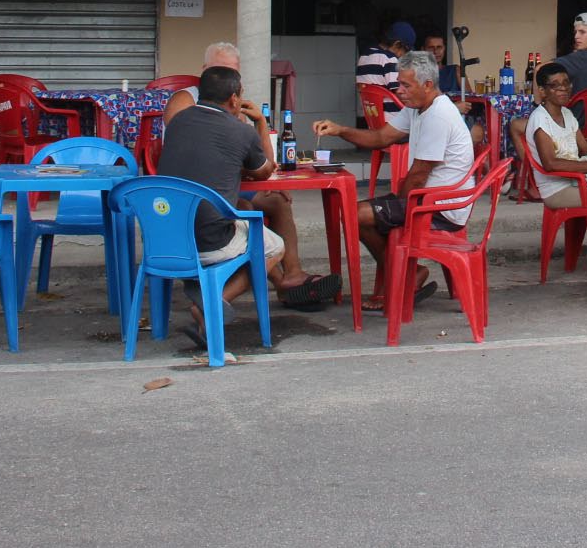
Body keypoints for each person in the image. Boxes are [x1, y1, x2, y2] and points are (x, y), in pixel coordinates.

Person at [158, 65, 338, 334]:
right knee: (272, 248)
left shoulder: (177, 122)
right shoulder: (239, 131)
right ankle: (214, 303)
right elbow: (266, 170)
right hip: (209, 242)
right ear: (234, 98)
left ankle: (280, 282)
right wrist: (261, 123)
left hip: (167, 238)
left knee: (243, 207)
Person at [313, 51, 475, 310]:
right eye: (399, 83)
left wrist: (393, 208)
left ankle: (406, 276)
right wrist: (340, 129)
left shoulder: (439, 116)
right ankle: (408, 275)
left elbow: (419, 175)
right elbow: (380, 138)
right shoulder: (417, 108)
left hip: (440, 206)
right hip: (425, 197)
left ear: (428, 85)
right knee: (359, 214)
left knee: (357, 215)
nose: (399, 90)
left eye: (405, 85)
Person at [525, 62, 587, 209]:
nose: (563, 88)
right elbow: (550, 164)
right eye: (555, 85)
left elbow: (586, 150)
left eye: (566, 83)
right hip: (555, 190)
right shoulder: (540, 120)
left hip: (577, 181)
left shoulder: (567, 114)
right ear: (542, 91)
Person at [355, 21, 415, 95]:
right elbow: (401, 93)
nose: (404, 56)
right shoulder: (389, 59)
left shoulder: (364, 56)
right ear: (397, 44)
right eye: (405, 51)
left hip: (371, 106)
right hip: (389, 106)